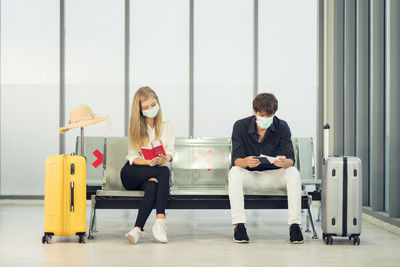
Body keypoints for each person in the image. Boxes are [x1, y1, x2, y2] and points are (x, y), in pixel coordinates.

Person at [228, 93, 304, 244]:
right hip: (250, 177)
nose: (266, 119)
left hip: (274, 176)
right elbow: (236, 160)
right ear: (255, 112)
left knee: (293, 173)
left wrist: (284, 162)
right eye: (262, 115)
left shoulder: (282, 126)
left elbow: (291, 160)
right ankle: (239, 225)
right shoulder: (240, 126)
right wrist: (246, 161)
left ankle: (295, 225)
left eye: (270, 115)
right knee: (234, 172)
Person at [120, 86, 174, 244]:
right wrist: (147, 163)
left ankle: (137, 230)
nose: (151, 109)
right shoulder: (135, 125)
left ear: (157, 102)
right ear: (140, 109)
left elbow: (171, 151)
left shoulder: (168, 123)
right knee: (162, 172)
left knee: (153, 185)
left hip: (153, 173)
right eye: (146, 107)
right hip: (132, 172)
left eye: (153, 105)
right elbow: (132, 156)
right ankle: (160, 221)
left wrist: (166, 157)